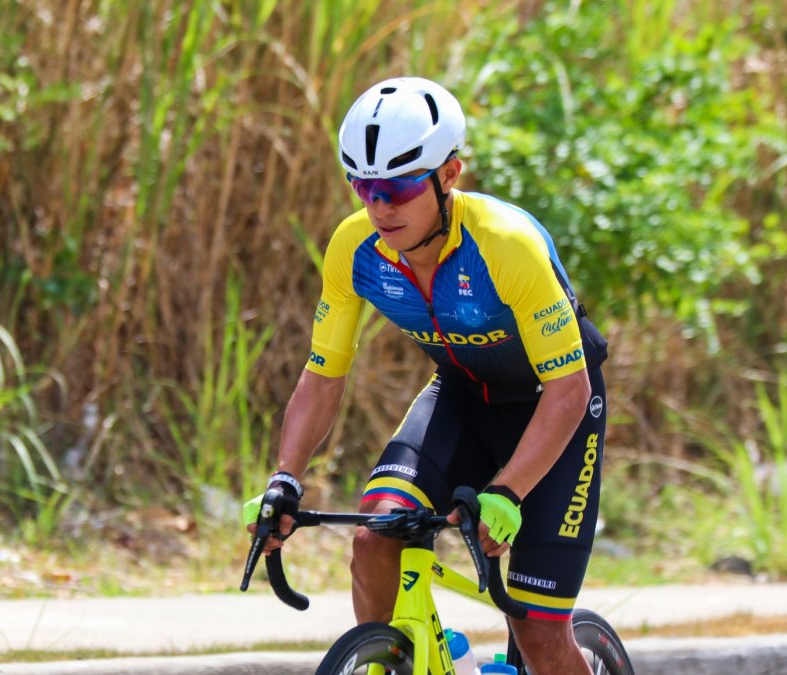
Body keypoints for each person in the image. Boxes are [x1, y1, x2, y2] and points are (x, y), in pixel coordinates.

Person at [244, 76, 609, 675]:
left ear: (449, 175)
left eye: (398, 188)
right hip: (463, 397)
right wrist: (285, 479)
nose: (379, 207)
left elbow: (570, 390)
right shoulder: (356, 249)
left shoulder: (505, 246)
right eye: (363, 187)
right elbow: (323, 374)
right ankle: (394, 662)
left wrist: (508, 491)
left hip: (556, 407)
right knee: (375, 538)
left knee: (538, 632)